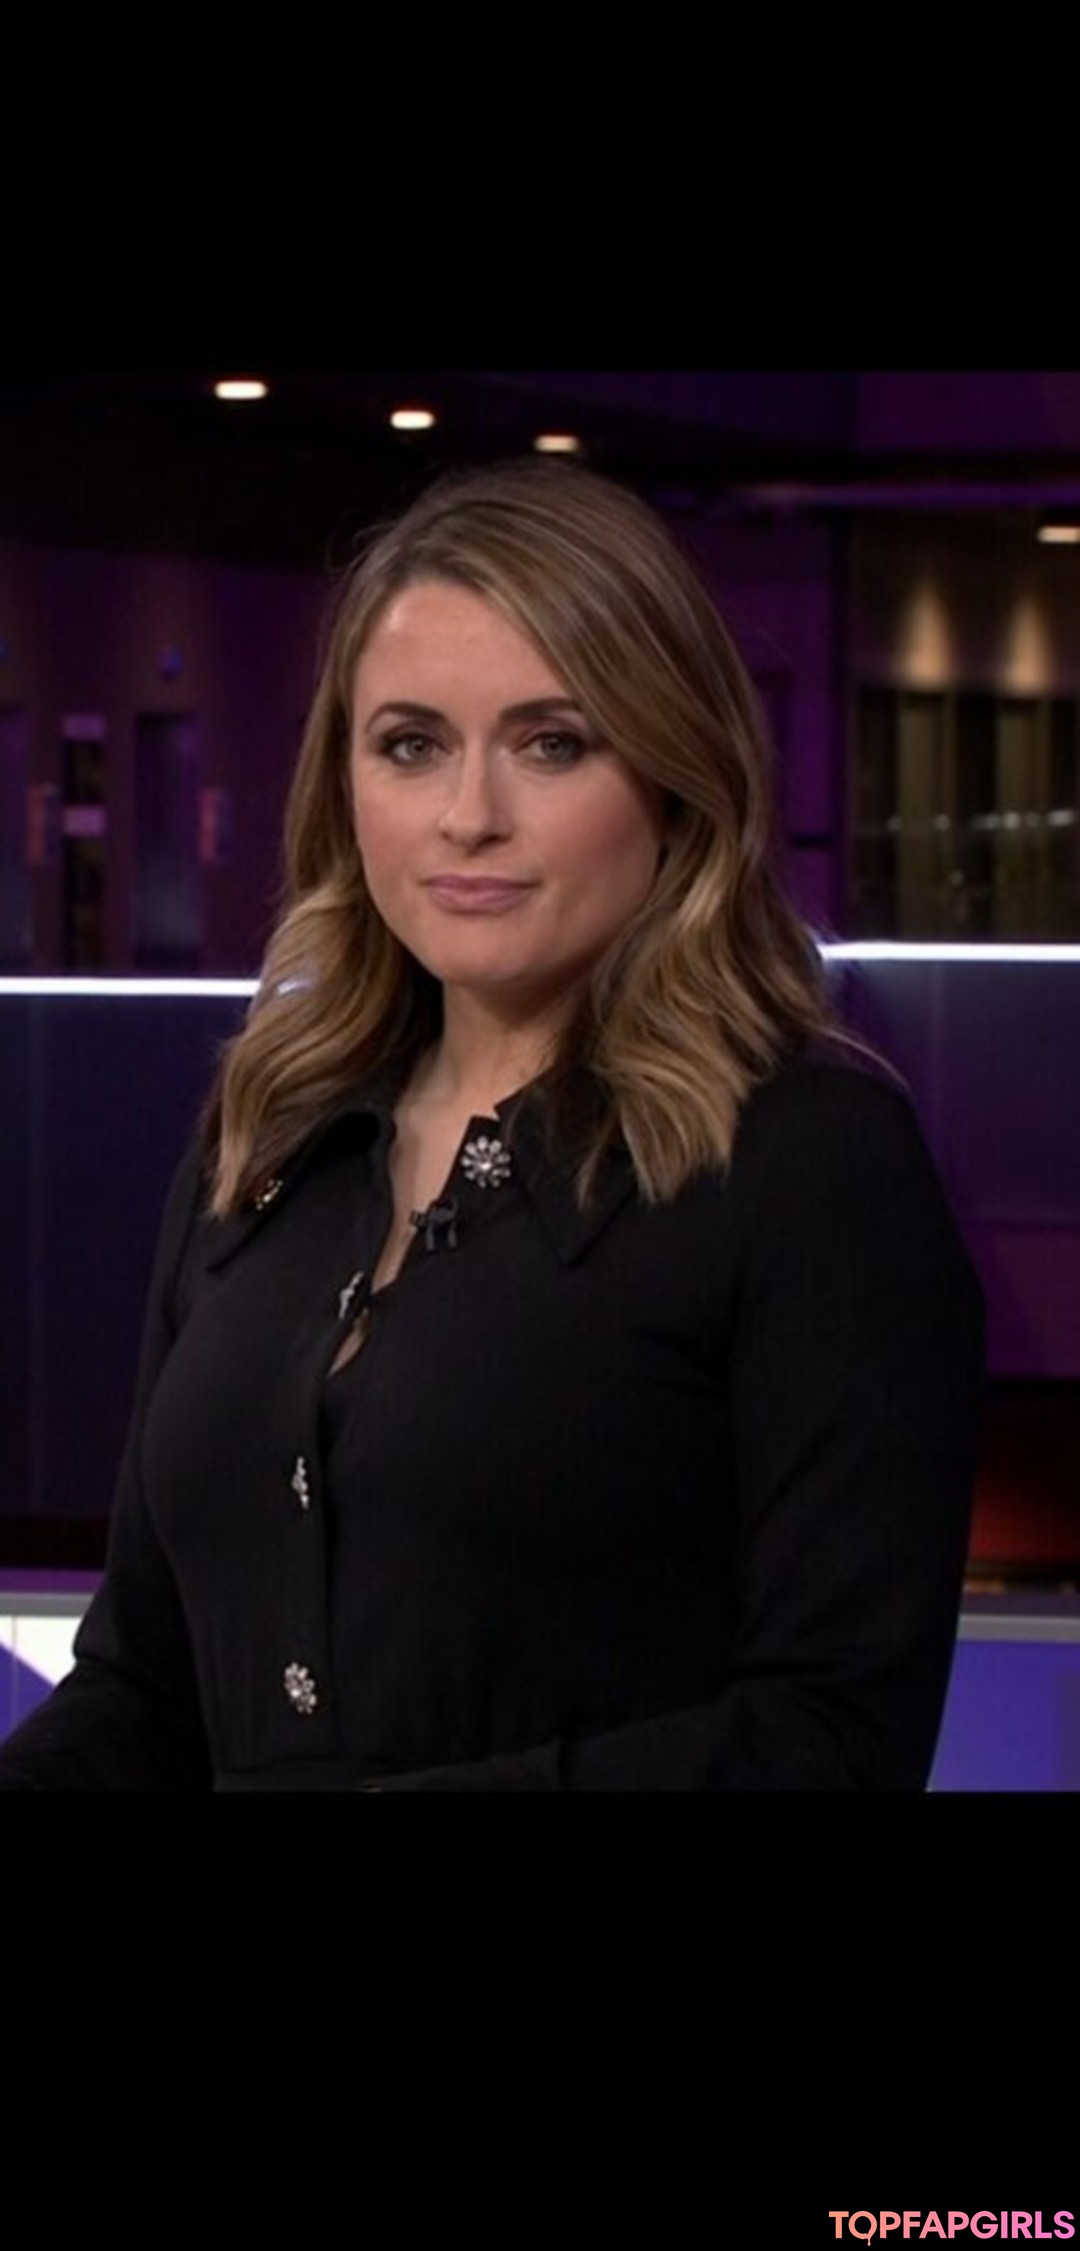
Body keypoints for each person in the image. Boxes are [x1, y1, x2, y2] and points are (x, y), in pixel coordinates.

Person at [0, 457, 983, 1791]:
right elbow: (144, 1684)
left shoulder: (812, 1165)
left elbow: (834, 1739)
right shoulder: (266, 1139)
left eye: (552, 743)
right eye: (411, 745)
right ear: (345, 783)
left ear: (675, 777)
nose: (469, 817)